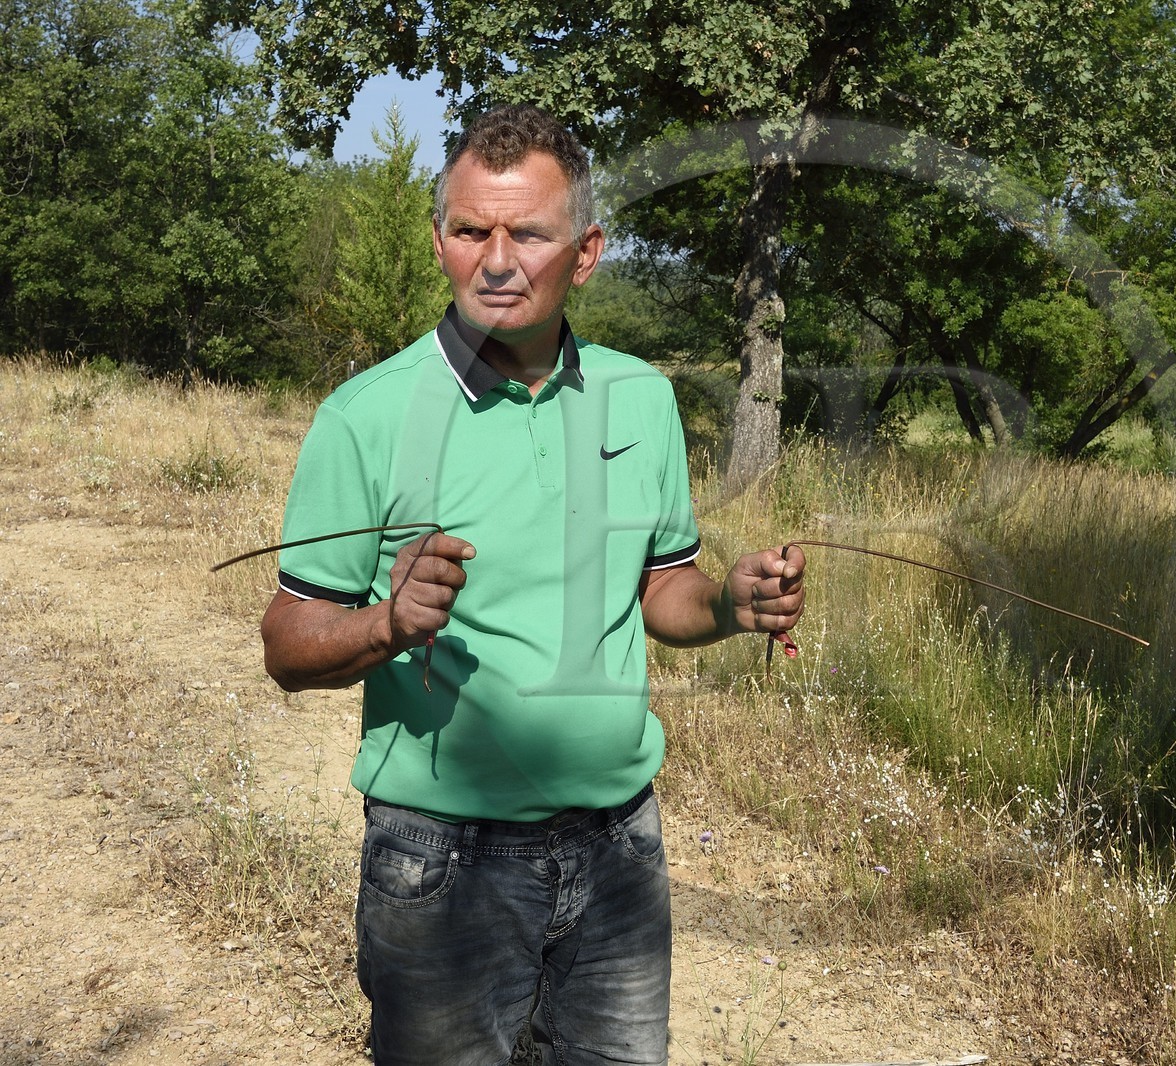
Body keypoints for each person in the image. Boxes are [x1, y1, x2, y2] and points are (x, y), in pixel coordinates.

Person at [259, 103, 806, 1066]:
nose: (497, 261)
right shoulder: (365, 416)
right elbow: (286, 645)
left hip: (622, 848)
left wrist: (730, 603)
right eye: (472, 231)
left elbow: (661, 591)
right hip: (443, 865)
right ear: (439, 240)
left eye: (530, 234)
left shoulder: (642, 397)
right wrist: (388, 623)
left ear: (586, 252)